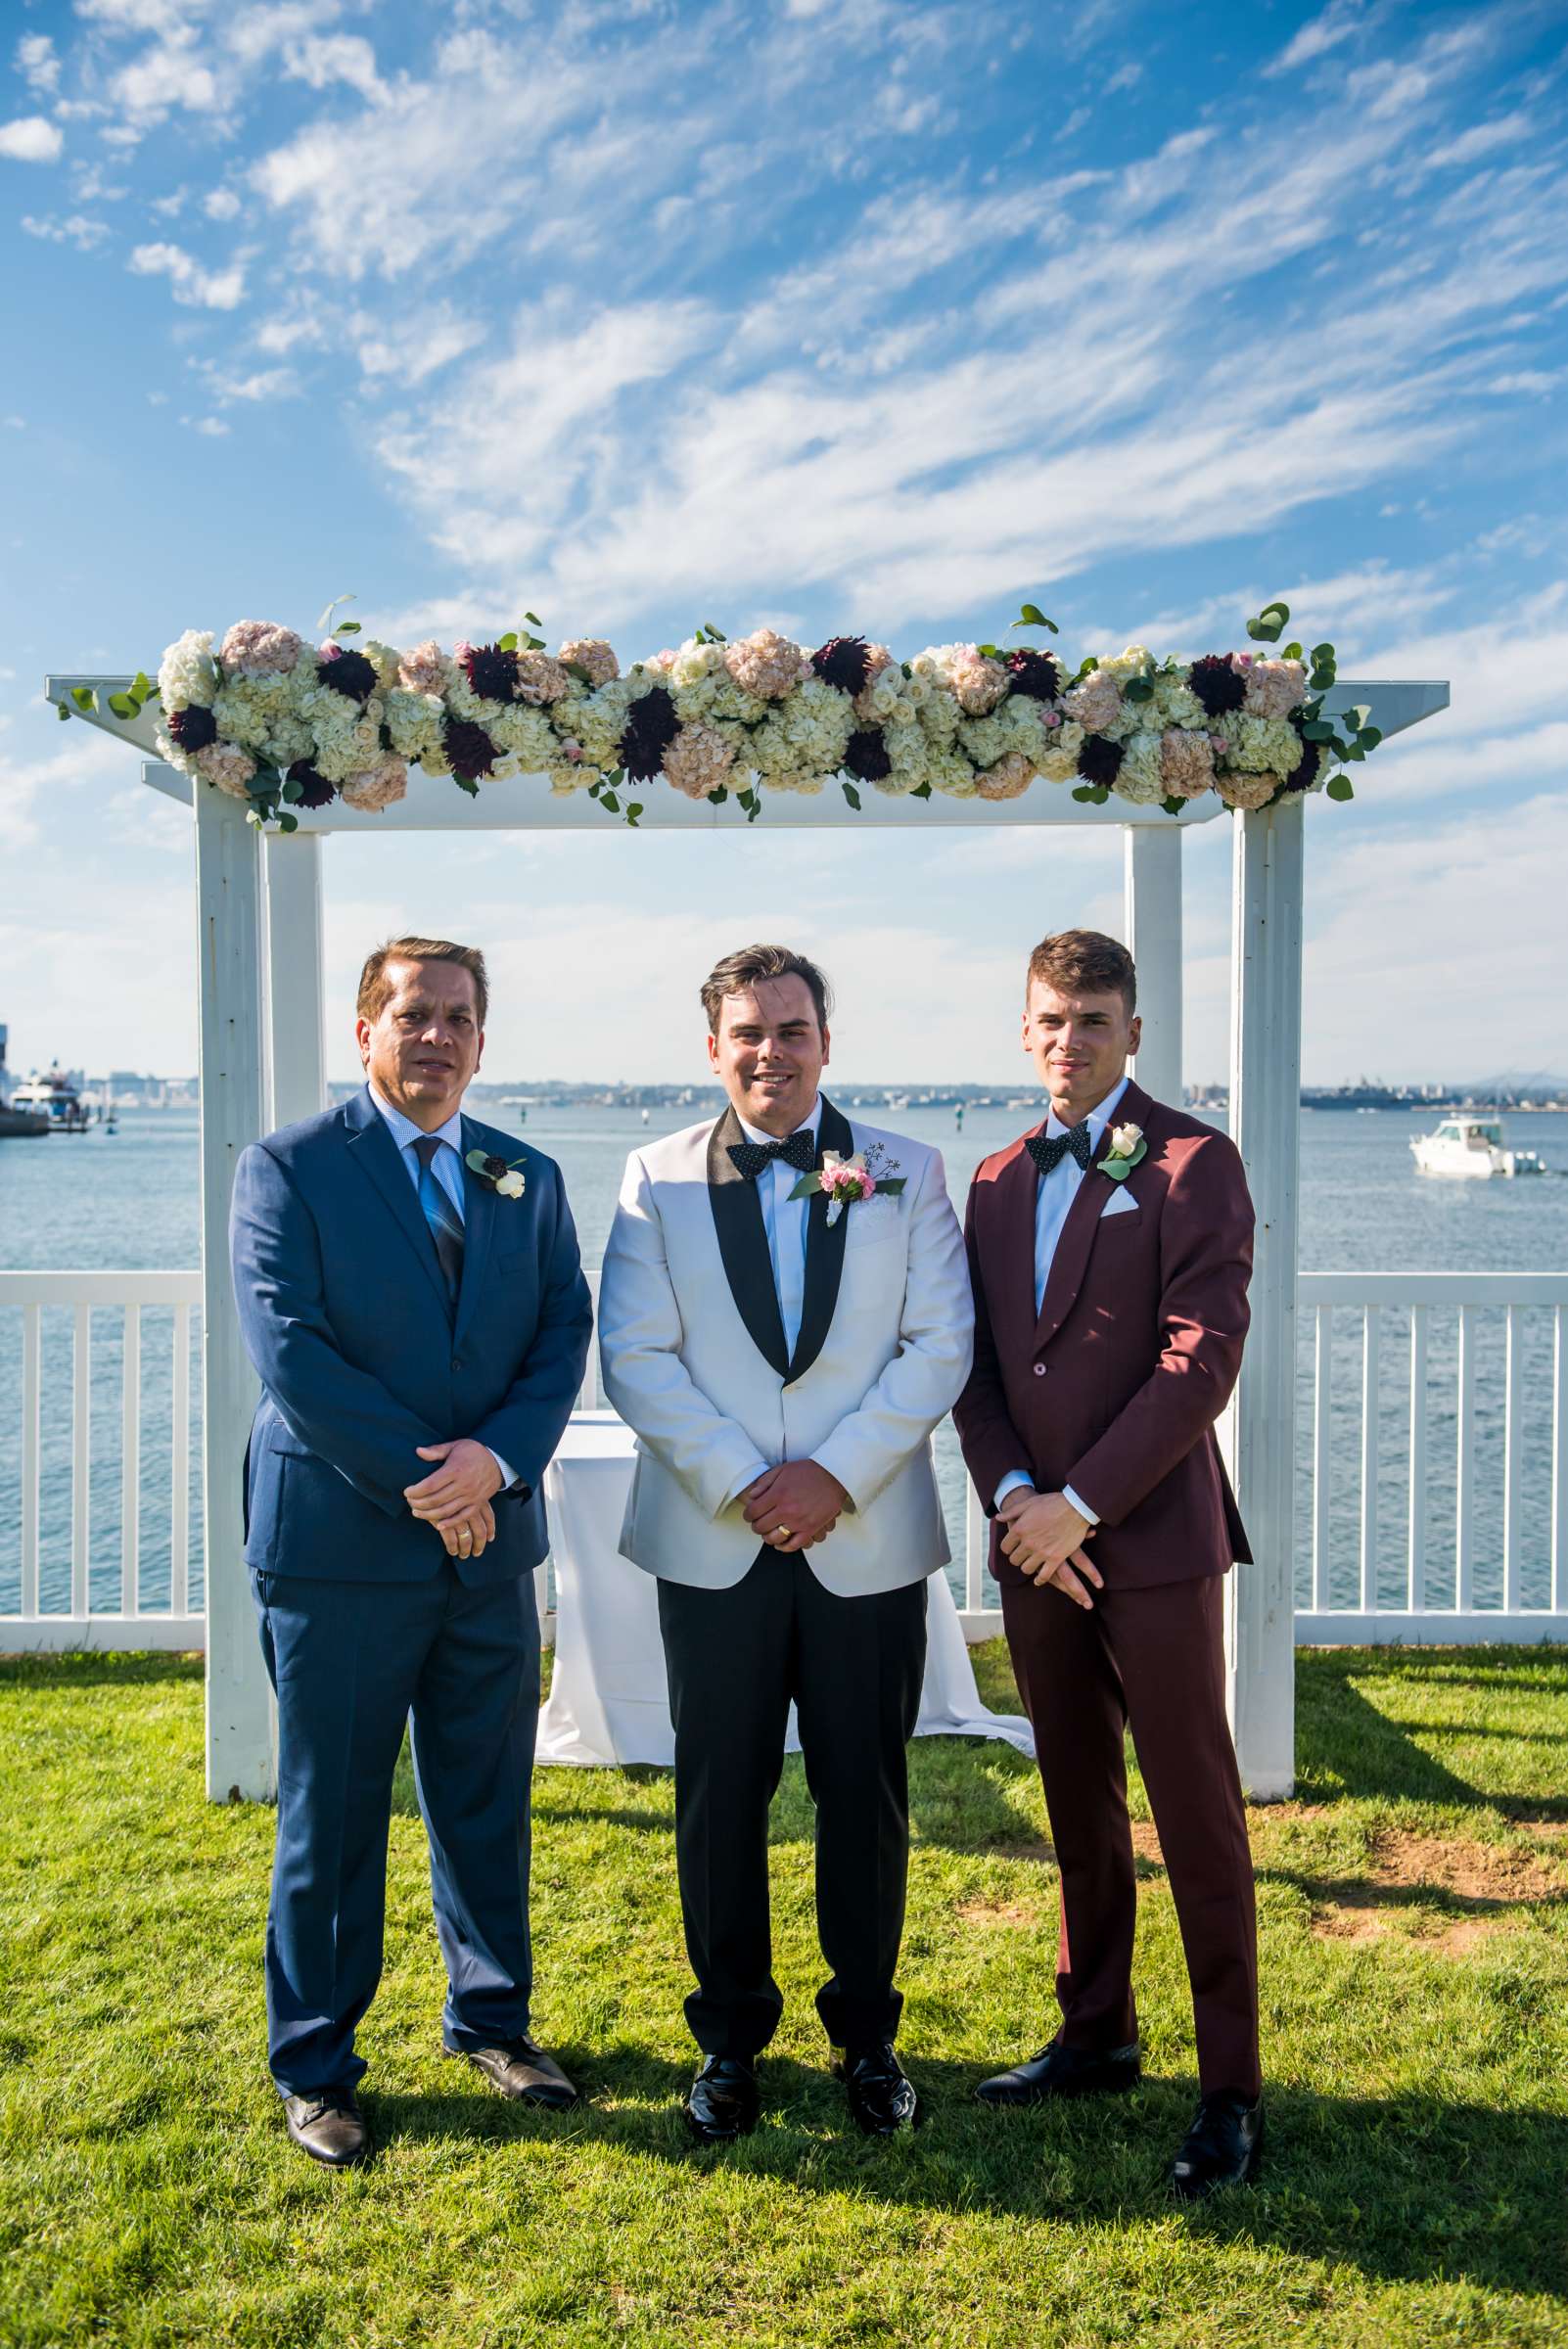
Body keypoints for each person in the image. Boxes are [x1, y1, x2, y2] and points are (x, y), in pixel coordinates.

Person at [598, 944, 973, 2142]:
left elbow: (938, 1345)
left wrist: (834, 1478)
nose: (771, 1051)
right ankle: (728, 2045)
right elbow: (637, 1357)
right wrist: (750, 1485)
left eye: (793, 1029)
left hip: (863, 1537)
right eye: (748, 1032)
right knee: (720, 1795)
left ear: (827, 1040)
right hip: (717, 1542)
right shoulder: (651, 1179)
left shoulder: (908, 1172)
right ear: (713, 1047)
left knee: (864, 1790)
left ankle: (869, 2038)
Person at [230, 936, 593, 2167]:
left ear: (482, 1039)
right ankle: (317, 2062)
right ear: (364, 1029)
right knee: (333, 1813)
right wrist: (431, 1482)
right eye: (410, 1014)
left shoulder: (523, 1173)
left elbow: (560, 1328)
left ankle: (491, 2019)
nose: (433, 1035)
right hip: (338, 1546)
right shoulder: (287, 1168)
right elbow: (293, 1350)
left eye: (456, 1017)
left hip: (490, 1547)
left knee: (486, 1797)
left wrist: (495, 1462)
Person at [952, 928, 1262, 2199]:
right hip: (1034, 1548)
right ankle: (1096, 2030)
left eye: (1092, 1020)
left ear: (1130, 1031)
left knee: (1192, 1810)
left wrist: (1080, 1503)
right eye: (1047, 1021)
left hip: (1149, 1541)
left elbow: (1200, 1357)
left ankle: (1230, 2089)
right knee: (1073, 1797)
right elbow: (972, 1371)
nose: (1067, 1041)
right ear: (1021, 1032)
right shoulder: (991, 1179)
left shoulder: (1193, 1162)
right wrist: (1019, 1500)